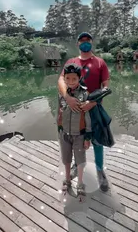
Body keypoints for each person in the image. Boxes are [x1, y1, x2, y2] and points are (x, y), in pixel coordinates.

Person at [58, 32, 110, 192]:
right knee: (75, 139)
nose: (85, 43)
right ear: (77, 44)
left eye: (88, 40)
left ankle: (100, 171)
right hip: (74, 108)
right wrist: (67, 97)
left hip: (94, 109)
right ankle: (75, 164)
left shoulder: (100, 63)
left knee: (97, 141)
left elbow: (106, 86)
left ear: (92, 43)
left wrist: (92, 102)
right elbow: (60, 80)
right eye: (82, 41)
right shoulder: (71, 61)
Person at [58, 63, 92, 196]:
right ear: (64, 78)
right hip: (64, 133)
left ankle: (80, 183)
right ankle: (67, 179)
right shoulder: (62, 94)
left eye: (74, 79)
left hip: (79, 134)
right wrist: (59, 128)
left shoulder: (84, 94)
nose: (70, 82)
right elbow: (59, 111)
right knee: (66, 159)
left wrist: (87, 137)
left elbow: (87, 117)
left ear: (79, 78)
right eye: (67, 78)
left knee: (80, 160)